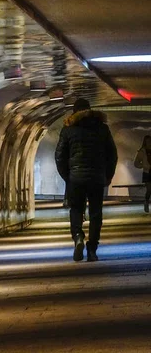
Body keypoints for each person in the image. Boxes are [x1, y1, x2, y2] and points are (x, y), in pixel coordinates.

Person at [55, 98, 117, 262]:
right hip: (97, 178)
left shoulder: (68, 130)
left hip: (76, 178)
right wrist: (107, 176)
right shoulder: (103, 129)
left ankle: (78, 237)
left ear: (74, 112)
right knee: (96, 213)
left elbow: (60, 156)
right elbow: (112, 155)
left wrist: (67, 177)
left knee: (76, 210)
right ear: (90, 110)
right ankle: (92, 250)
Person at [133, 135, 151, 213]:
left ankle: (146, 202)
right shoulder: (142, 151)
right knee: (149, 189)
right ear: (145, 142)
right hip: (147, 172)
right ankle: (146, 202)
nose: (149, 143)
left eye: (150, 141)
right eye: (147, 141)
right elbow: (136, 163)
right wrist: (144, 166)